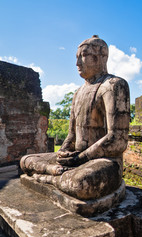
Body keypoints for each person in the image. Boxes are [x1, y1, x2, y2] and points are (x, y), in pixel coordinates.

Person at [20, 35, 130, 200]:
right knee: (26, 160)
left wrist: (81, 158)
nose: (78, 63)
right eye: (77, 57)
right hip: (76, 158)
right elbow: (72, 134)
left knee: (81, 183)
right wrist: (63, 152)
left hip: (103, 161)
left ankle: (46, 177)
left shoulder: (113, 85)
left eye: (83, 56)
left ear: (101, 57)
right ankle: (54, 174)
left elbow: (117, 139)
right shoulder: (78, 93)